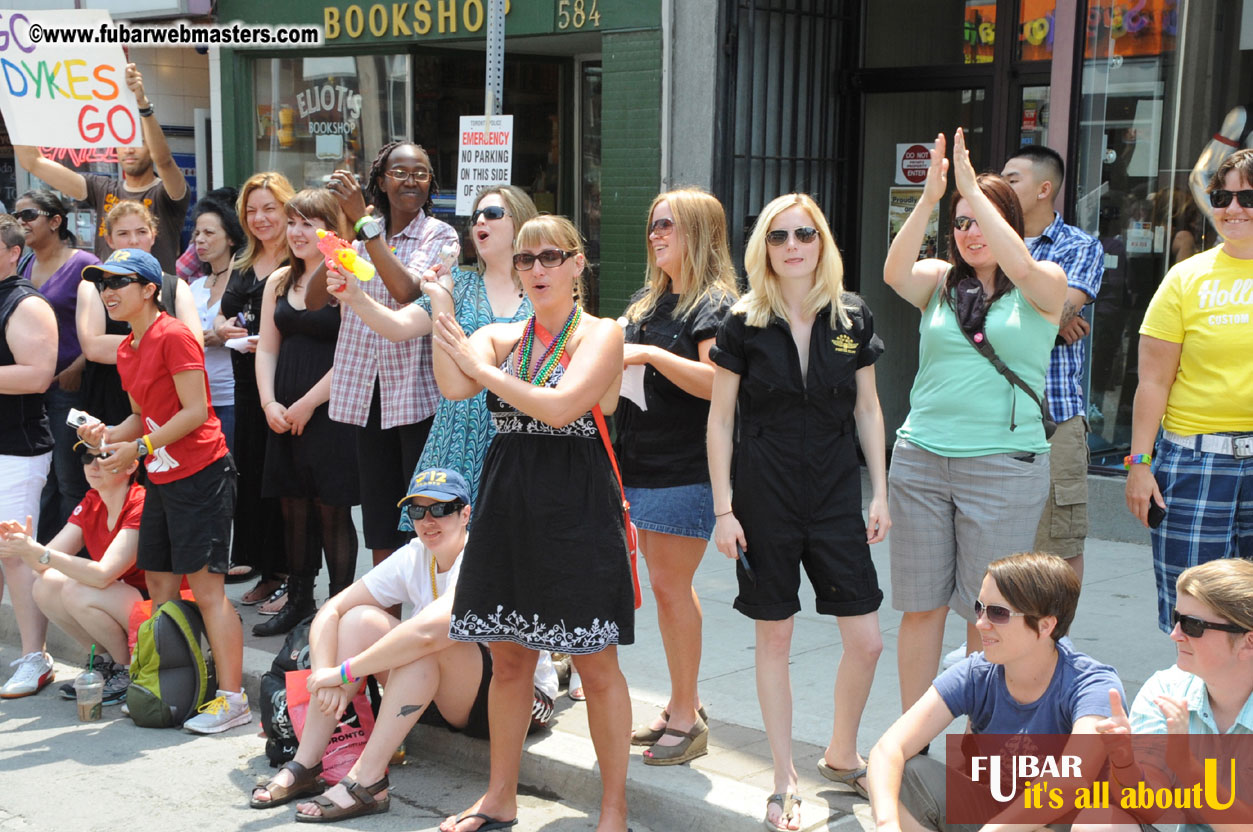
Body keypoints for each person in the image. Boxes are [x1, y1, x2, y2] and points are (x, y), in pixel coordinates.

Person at [433, 215, 633, 832]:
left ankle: (613, 810)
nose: (538, 269)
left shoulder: (601, 335)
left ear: (578, 265)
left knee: (596, 664)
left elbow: (561, 406)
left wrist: (483, 366)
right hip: (509, 502)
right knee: (511, 658)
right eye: (525, 259)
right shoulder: (500, 334)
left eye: (552, 256)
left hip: (576, 507)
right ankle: (499, 797)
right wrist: (442, 315)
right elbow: (452, 384)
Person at [708, 193, 889, 830]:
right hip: (764, 497)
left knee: (865, 641)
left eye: (804, 234)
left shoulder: (852, 316)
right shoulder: (743, 321)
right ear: (765, 246)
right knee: (775, 635)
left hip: (836, 495)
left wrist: (881, 492)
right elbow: (720, 418)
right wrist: (724, 509)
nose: (793, 245)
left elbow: (868, 408)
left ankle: (841, 753)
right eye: (779, 235)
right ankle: (784, 779)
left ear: (822, 243)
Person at [883, 129, 1067, 722]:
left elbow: (1022, 261)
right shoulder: (940, 281)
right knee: (921, 607)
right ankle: (913, 745)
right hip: (920, 460)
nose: (969, 232)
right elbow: (892, 272)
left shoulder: (1045, 285)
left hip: (1004, 468)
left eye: (981, 220)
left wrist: (972, 190)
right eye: (960, 222)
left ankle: (970, 751)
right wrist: (932, 196)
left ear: (1008, 222)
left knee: (986, 616)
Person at [250, 468, 555, 820]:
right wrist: (323, 673)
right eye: (417, 511)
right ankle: (305, 763)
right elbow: (333, 609)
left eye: (441, 509)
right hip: (448, 691)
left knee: (429, 642)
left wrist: (345, 670)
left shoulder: (482, 555)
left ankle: (368, 780)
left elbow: (431, 632)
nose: (428, 520)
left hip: (520, 701)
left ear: (466, 514)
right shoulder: (415, 554)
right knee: (358, 619)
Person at [76, 248, 246, 734]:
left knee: (209, 589)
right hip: (162, 475)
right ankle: (176, 686)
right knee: (159, 585)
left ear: (151, 289)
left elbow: (195, 411)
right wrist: (109, 435)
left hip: (202, 473)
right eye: (102, 283)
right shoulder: (127, 347)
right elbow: (141, 414)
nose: (108, 292)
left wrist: (140, 447)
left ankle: (233, 700)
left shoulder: (174, 334)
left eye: (119, 282)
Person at [867, 552, 1125, 832]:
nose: (980, 623)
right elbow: (888, 748)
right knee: (901, 773)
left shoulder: (1092, 685)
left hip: (1062, 823)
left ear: (1045, 625)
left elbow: (1070, 781)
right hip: (998, 817)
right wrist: (886, 823)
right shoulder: (976, 673)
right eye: (980, 608)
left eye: (998, 613)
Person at [616, 188, 737, 762]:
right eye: (652, 225)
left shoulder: (715, 306)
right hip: (635, 464)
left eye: (668, 225)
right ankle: (679, 703)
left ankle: (687, 717)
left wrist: (650, 357)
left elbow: (720, 385)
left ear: (699, 232)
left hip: (684, 468)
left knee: (669, 589)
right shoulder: (647, 303)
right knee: (666, 590)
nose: (656, 234)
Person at [325, 185, 536, 511]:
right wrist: (354, 296)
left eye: (492, 214)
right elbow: (398, 327)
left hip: (520, 437)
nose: (480, 221)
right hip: (457, 435)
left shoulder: (542, 288)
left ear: (521, 222)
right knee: (445, 544)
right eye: (476, 215)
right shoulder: (458, 284)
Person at [306, 142, 459, 573]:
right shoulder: (361, 233)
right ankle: (385, 623)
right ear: (380, 181)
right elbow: (316, 299)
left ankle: (424, 620)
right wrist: (345, 235)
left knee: (424, 518)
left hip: (418, 394)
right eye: (400, 172)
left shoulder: (440, 236)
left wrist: (365, 223)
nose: (411, 180)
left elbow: (408, 292)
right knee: (379, 523)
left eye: (422, 173)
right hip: (368, 395)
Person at [1125, 147, 1253, 634]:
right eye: (1222, 196)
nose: (1233, 208)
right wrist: (1139, 465)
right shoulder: (1185, 278)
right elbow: (1153, 381)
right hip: (1194, 464)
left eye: (1247, 196)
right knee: (1194, 616)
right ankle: (1191, 712)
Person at [253, 189, 360, 637]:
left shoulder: (345, 279)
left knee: (331, 509)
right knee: (292, 506)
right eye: (292, 222)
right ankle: (298, 600)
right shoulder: (279, 280)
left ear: (330, 231)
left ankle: (337, 608)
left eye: (308, 223)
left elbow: (354, 353)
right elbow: (266, 348)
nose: (297, 232)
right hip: (283, 412)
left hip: (331, 410)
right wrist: (268, 403)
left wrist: (309, 402)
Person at [1001, 145, 1105, 583]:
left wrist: (1051, 316)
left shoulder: (1080, 246)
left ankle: (1054, 642)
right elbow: (970, 318)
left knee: (1060, 543)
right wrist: (1052, 316)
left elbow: (1062, 311)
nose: (1002, 187)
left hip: (1056, 416)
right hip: (990, 415)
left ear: (1045, 189)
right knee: (997, 545)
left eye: (1012, 179)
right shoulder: (981, 240)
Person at [1089, 558, 1253, 832]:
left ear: (1248, 643)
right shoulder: (1165, 689)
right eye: (1177, 618)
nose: (1174, 634)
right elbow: (1150, 810)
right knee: (1098, 822)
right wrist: (1125, 763)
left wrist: (1186, 767)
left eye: (1193, 625)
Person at [0, 444, 146, 706]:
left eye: (104, 457)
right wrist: (23, 544)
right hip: (120, 599)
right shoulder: (93, 500)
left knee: (75, 590)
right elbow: (43, 564)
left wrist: (39, 553)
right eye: (87, 457)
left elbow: (103, 575)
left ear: (131, 465)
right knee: (45, 586)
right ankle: (105, 662)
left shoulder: (140, 502)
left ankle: (127, 670)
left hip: (153, 606)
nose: (93, 465)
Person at [14, 64, 189, 272]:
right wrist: (14, 105)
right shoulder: (101, 188)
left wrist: (143, 105)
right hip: (109, 297)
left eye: (139, 141)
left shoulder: (167, 194)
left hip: (155, 298)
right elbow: (33, 163)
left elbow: (164, 161)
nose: (130, 149)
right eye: (124, 141)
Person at [216, 173, 292, 603]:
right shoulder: (243, 262)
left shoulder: (300, 260)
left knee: (281, 484)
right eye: (252, 210)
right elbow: (224, 315)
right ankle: (262, 564)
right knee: (251, 479)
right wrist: (223, 328)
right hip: (244, 384)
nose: (260, 218)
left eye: (270, 208)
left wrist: (269, 341)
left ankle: (286, 573)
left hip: (283, 385)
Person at [14, 191, 100, 540]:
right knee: (41, 477)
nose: (22, 223)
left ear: (55, 220)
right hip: (29, 389)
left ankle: (74, 558)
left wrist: (79, 364)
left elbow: (108, 323)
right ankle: (43, 553)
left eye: (29, 215)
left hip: (69, 388)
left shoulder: (84, 264)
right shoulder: (21, 263)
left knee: (69, 478)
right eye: (17, 216)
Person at [75, 200, 202, 429]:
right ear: (110, 240)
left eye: (141, 232)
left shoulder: (175, 286)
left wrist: (147, 348)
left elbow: (193, 346)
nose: (133, 241)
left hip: (168, 403)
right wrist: (165, 351)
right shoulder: (92, 286)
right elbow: (93, 347)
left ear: (153, 236)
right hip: (108, 398)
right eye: (123, 233)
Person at [0, 214, 59, 699]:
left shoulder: (26, 303)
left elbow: (37, 375)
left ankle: (35, 658)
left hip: (16, 450)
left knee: (16, 557)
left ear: (12, 251)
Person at [189, 189, 245, 450]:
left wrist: (224, 339)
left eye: (209, 233)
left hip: (234, 396)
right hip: (198, 401)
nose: (200, 240)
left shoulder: (243, 283)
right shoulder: (194, 287)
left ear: (232, 238)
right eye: (197, 233)